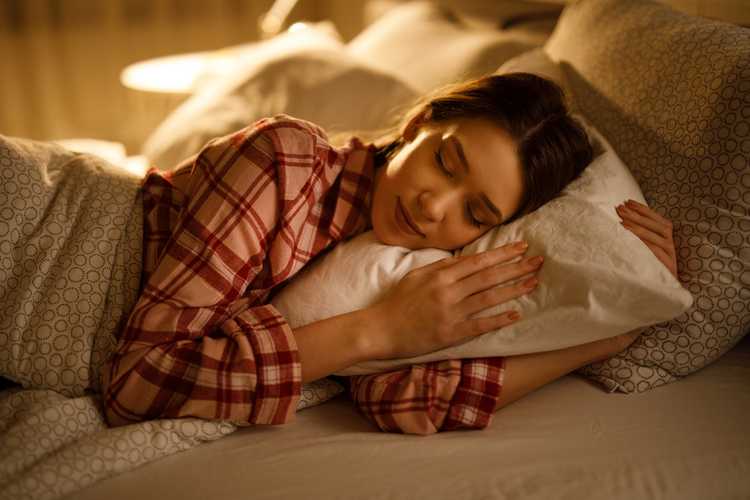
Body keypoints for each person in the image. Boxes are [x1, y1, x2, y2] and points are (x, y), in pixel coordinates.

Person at [100, 73, 678, 434]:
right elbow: (137, 384)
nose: (433, 207)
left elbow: (413, 402)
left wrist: (611, 331)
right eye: (446, 163)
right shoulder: (287, 162)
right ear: (419, 125)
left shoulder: (412, 267)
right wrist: (379, 329)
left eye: (475, 214)